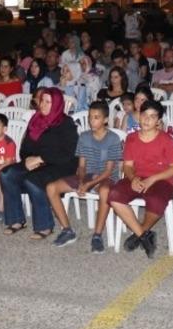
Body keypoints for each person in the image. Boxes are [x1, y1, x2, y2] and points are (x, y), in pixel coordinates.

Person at [0, 87, 79, 239]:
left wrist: (41, 159)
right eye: (42, 100)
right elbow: (24, 148)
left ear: (56, 104)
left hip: (60, 165)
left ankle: (45, 226)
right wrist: (28, 159)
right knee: (7, 173)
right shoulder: (35, 120)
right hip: (36, 162)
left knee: (33, 179)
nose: (43, 105)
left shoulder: (66, 123)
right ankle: (16, 220)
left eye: (48, 102)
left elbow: (68, 153)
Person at [108, 100, 173, 258]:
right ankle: (143, 235)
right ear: (139, 116)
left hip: (161, 179)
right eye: (145, 115)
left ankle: (138, 234)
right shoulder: (131, 138)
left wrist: (152, 179)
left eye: (153, 117)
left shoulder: (166, 139)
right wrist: (133, 178)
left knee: (156, 200)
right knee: (113, 195)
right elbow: (127, 166)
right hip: (137, 177)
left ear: (158, 121)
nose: (147, 119)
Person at [46, 102, 122, 250]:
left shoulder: (113, 138)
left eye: (96, 117)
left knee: (105, 191)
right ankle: (67, 230)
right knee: (51, 187)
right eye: (90, 117)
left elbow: (108, 171)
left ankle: (97, 235)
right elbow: (81, 166)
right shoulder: (84, 137)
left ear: (106, 120)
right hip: (87, 175)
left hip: (107, 178)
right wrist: (82, 181)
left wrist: (89, 185)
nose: (92, 121)